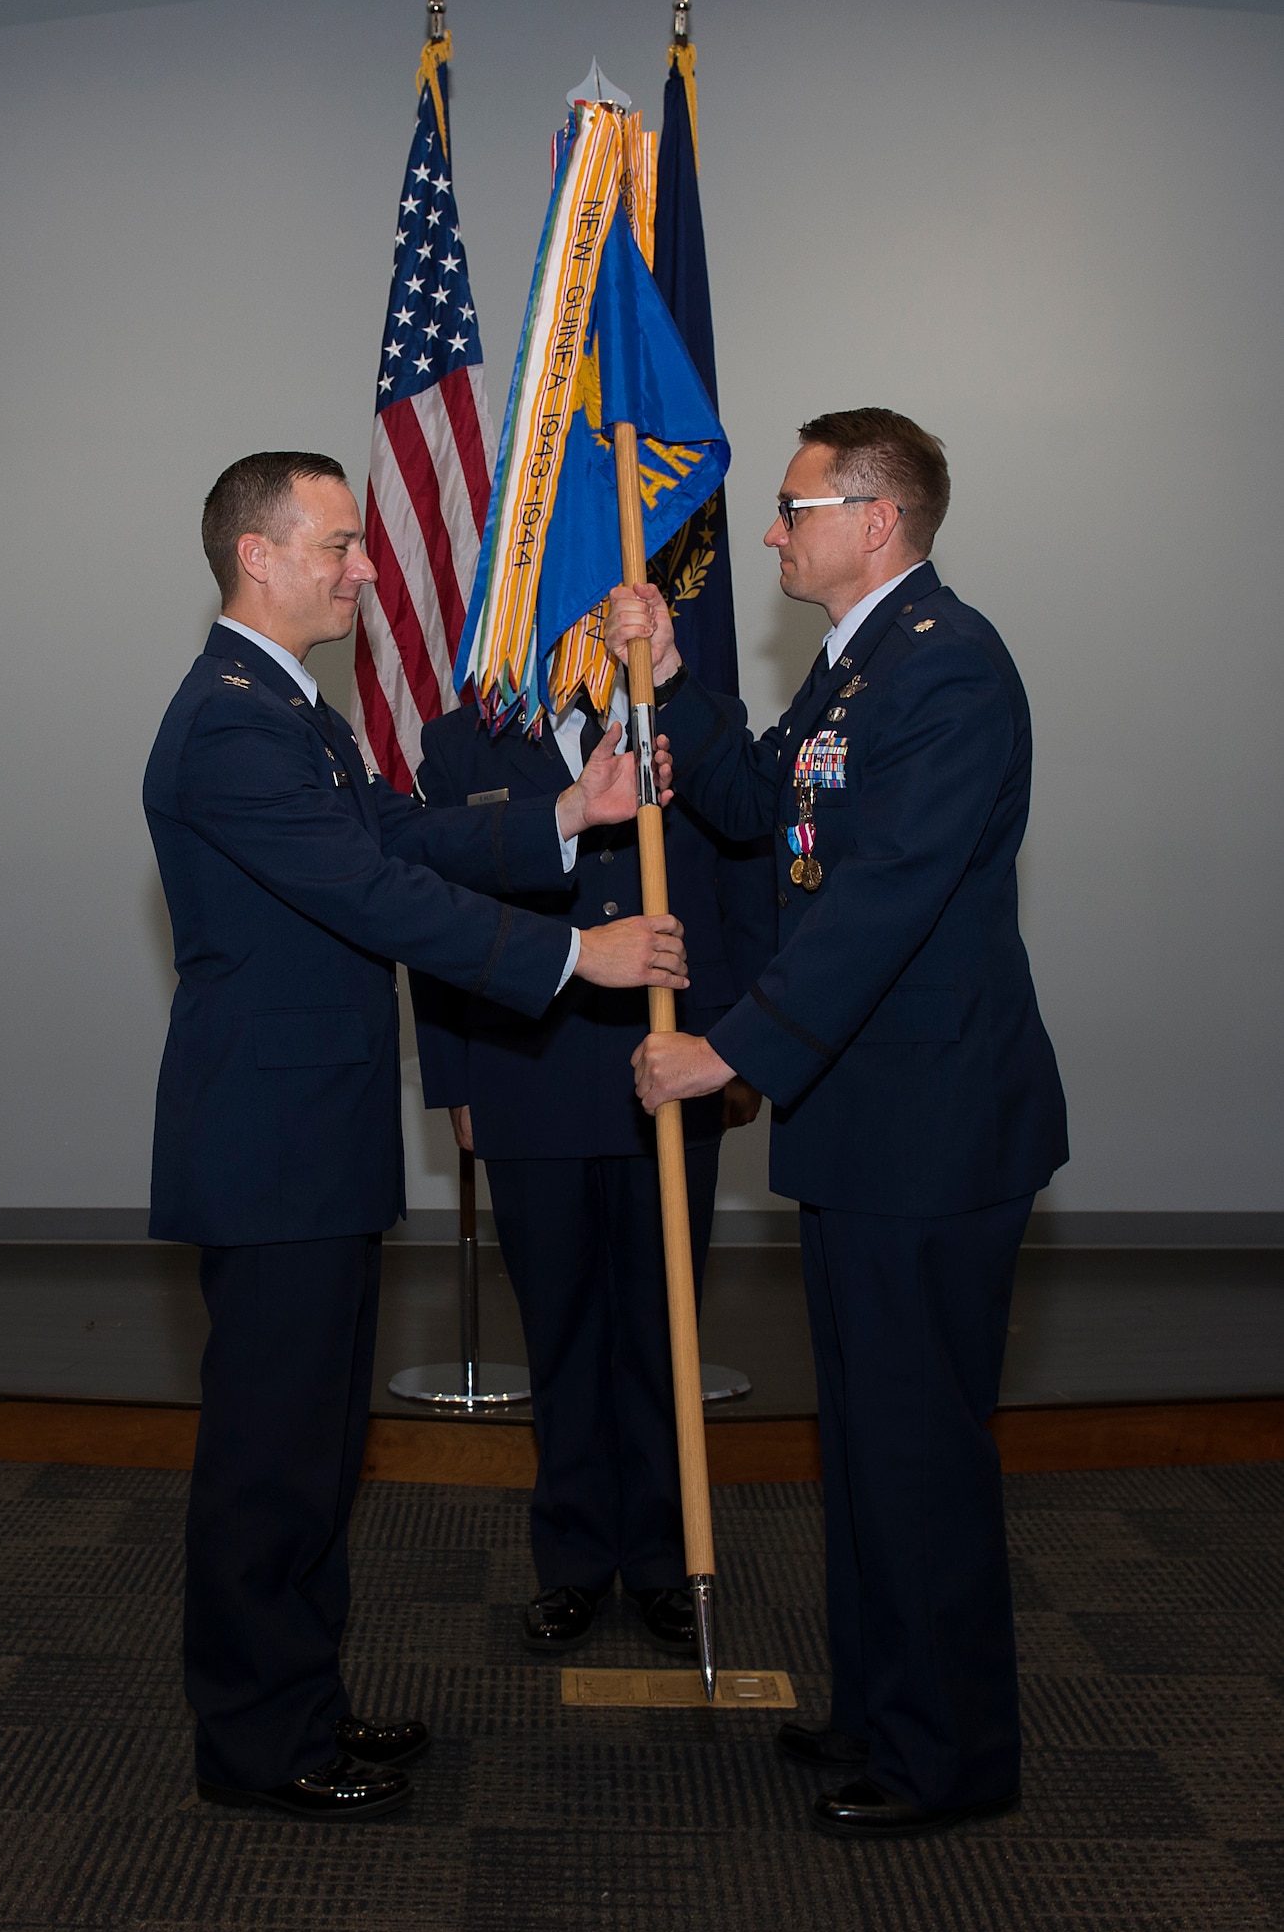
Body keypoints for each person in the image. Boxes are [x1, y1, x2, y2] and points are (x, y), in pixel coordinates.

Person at [144, 451, 689, 1824]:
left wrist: (569, 812)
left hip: (309, 1141)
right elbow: (378, 898)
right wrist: (580, 958)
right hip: (269, 1149)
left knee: (319, 1455)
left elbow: (398, 830)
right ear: (257, 556)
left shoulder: (293, 714)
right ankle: (260, 1746)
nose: (366, 568)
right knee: (272, 1463)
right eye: (338, 545)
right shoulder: (228, 724)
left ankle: (301, 1707)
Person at [608, 408, 1067, 1840]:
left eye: (794, 505)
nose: (772, 529)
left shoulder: (949, 669)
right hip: (872, 1129)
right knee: (867, 1444)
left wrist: (728, 1053)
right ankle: (881, 1711)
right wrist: (674, 679)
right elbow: (756, 806)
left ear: (874, 518)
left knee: (920, 1448)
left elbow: (879, 904)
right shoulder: (859, 664)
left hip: (933, 1130)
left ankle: (949, 1760)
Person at [410, 672, 771, 1656]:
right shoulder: (458, 743)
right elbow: (431, 921)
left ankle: (661, 1556)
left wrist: (743, 1046)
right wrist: (455, 1081)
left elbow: (744, 871)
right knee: (561, 1329)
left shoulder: (688, 720)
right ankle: (571, 1558)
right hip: (526, 1068)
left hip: (674, 1065)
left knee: (663, 1329)